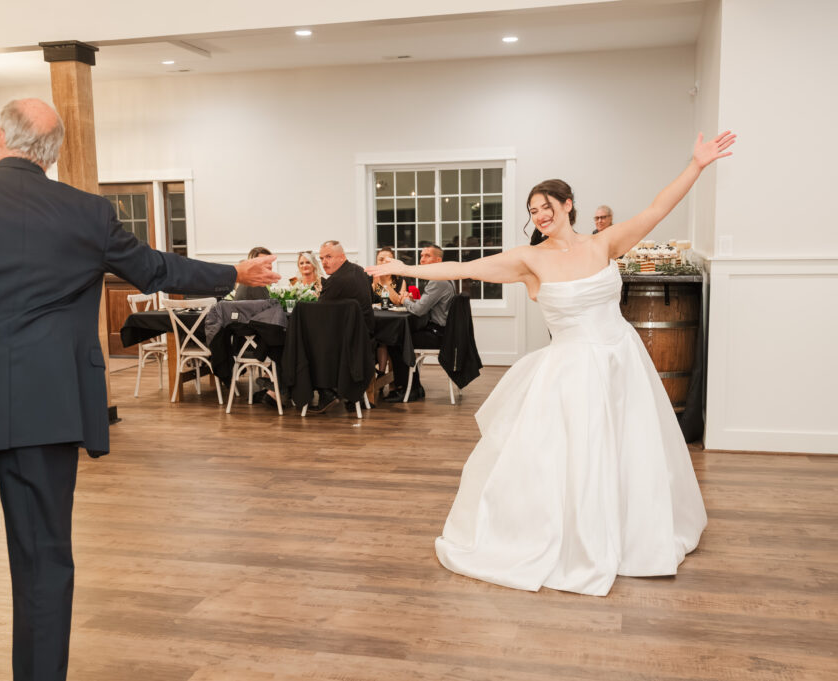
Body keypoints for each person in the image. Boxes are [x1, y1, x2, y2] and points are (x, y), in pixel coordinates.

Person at [0, 97, 278, 681]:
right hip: (46, 410)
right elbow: (158, 270)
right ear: (54, 154)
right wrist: (233, 273)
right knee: (43, 565)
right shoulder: (88, 212)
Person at [368, 130, 735, 596]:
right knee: (574, 457)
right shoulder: (528, 259)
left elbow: (657, 209)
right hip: (572, 370)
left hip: (621, 358)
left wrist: (697, 164)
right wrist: (403, 269)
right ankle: (570, 537)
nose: (540, 216)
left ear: (568, 205)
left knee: (629, 447)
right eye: (533, 212)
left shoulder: (603, 244)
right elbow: (463, 268)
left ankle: (632, 531)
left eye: (546, 207)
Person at [383, 244, 456, 403]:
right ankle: (414, 388)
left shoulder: (438, 281)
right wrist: (414, 301)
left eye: (427, 256)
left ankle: (408, 390)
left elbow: (418, 311)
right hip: (443, 332)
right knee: (401, 338)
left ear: (438, 260)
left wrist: (406, 300)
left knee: (397, 340)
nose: (422, 259)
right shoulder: (444, 278)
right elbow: (425, 305)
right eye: (421, 255)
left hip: (438, 335)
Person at [309, 240, 374, 413]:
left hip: (345, 344)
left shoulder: (336, 280)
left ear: (342, 257)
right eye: (322, 258)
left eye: (329, 257)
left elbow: (319, 313)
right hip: (363, 338)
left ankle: (325, 392)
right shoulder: (359, 272)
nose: (324, 262)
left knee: (305, 342)